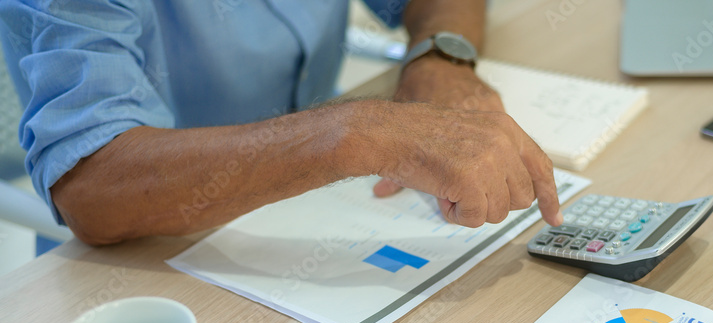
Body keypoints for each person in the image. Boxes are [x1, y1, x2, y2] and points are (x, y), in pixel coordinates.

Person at [0, 0, 562, 246]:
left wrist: (440, 57)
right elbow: (90, 183)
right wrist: (352, 135)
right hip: (155, 262)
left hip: (331, 212)